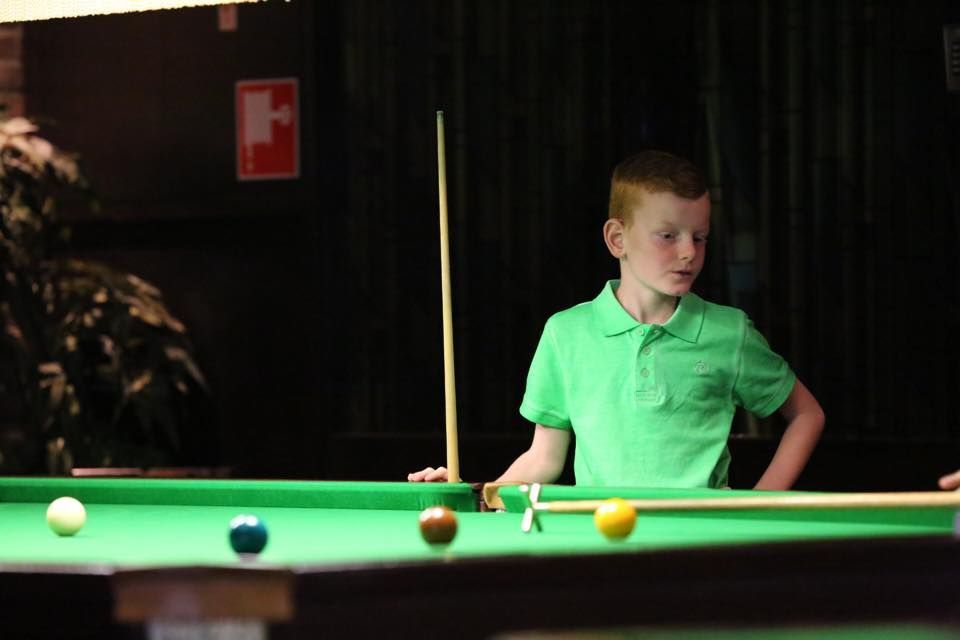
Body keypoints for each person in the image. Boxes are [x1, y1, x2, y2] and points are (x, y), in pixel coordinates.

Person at [409, 150, 825, 489]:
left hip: (701, 546)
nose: (688, 253)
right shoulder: (565, 333)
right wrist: (480, 496)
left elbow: (807, 414)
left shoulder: (728, 331)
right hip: (601, 547)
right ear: (616, 239)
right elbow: (544, 458)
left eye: (699, 237)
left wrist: (757, 505)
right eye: (668, 236)